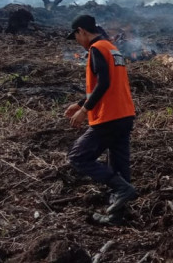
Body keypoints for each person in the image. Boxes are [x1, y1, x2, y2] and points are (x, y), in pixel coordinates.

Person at [64, 14, 137, 225]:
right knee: (119, 167)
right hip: (125, 115)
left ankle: (122, 189)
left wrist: (85, 110)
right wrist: (79, 103)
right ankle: (116, 216)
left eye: (76, 36)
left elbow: (103, 83)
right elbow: (107, 83)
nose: (77, 42)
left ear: (82, 31)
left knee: (78, 156)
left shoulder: (96, 49)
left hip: (109, 116)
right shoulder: (112, 48)